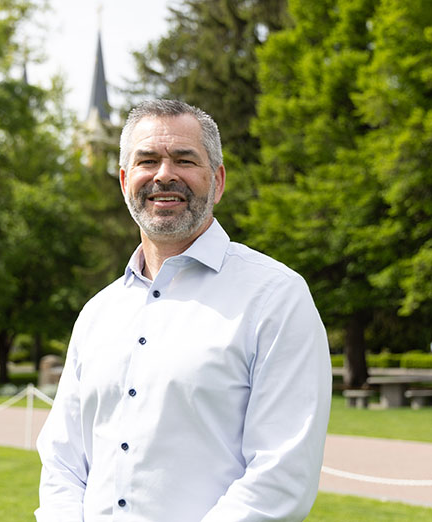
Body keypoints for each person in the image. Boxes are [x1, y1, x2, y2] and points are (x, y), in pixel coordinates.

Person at [35, 99, 332, 521]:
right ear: (124, 180)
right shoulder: (98, 313)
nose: (164, 174)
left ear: (218, 181)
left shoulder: (276, 297)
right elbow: (62, 462)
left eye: (185, 159)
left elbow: (281, 474)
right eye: (147, 160)